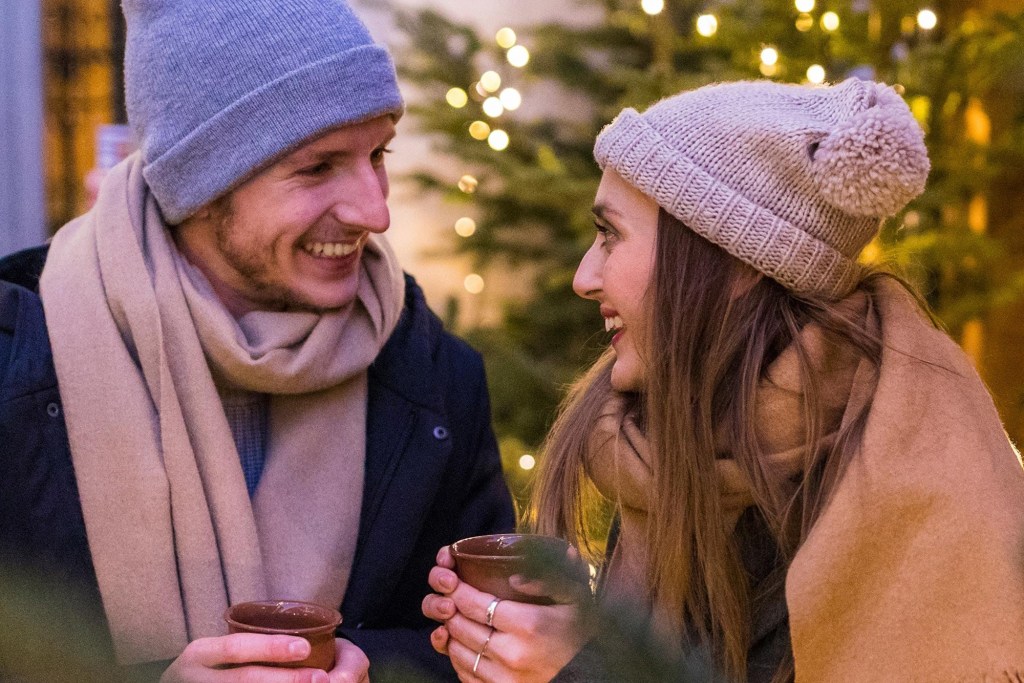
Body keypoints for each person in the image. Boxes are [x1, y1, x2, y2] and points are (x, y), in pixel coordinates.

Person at [423, 77, 1024, 681]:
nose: (584, 276)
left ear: (732, 264)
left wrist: (587, 667)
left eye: (611, 235)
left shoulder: (898, 493)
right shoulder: (684, 432)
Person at [0, 1, 514, 681]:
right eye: (317, 167)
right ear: (199, 187)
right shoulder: (18, 365)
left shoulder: (434, 379)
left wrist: (376, 667)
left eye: (377, 154)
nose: (375, 210)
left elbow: (476, 649)